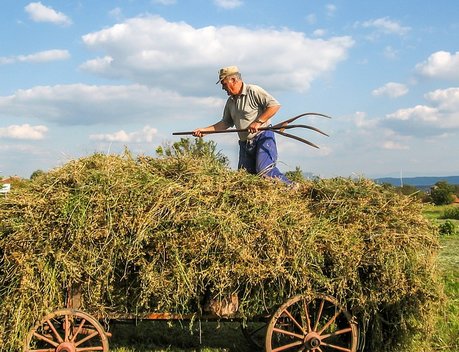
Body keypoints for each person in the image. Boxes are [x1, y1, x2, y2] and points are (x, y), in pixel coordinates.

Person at [193, 66, 292, 185]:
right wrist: (204, 131)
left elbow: (274, 106)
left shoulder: (253, 91)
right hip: (245, 144)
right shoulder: (230, 102)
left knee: (264, 171)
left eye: (224, 84)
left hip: (262, 137)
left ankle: (291, 187)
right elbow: (225, 123)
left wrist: (258, 122)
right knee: (244, 179)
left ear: (233, 80)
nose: (223, 88)